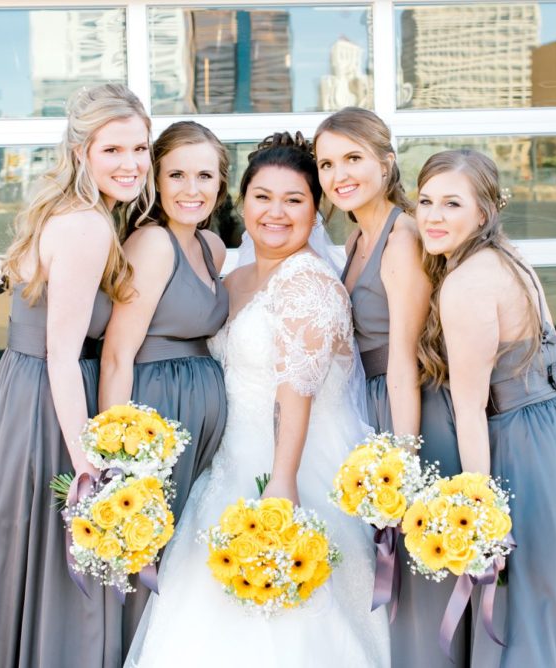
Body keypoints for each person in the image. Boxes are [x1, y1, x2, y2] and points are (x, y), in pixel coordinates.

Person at [125, 133, 390, 667]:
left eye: (294, 200)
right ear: (241, 201)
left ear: (317, 210)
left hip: (292, 465)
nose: (275, 212)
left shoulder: (309, 283)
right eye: (262, 196)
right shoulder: (236, 277)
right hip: (228, 462)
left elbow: (296, 392)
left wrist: (283, 482)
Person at [0, 83, 154, 668]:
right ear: (81, 151)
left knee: (13, 555)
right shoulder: (86, 226)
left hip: (22, 389)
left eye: (139, 148)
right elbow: (62, 355)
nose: (131, 164)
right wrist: (88, 462)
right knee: (41, 558)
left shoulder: (77, 212)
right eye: (113, 150)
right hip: (45, 403)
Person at [415, 149, 556, 667]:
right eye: (424, 201)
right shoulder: (512, 257)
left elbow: (468, 406)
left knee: (525, 615)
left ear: (483, 213)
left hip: (528, 444)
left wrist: (476, 510)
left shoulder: (465, 284)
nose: (433, 216)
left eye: (451, 203)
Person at [314, 107, 467, 666]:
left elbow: (403, 361)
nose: (339, 175)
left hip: (410, 410)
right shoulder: (357, 237)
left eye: (352, 158)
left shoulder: (402, 237)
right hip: (373, 405)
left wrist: (402, 465)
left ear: (386, 160)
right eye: (327, 163)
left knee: (421, 577)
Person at [98, 120, 229, 657]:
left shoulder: (213, 247)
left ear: (222, 185)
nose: (191, 189)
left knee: (183, 562)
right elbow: (115, 354)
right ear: (155, 179)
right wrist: (120, 458)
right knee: (148, 553)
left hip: (202, 422)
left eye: (205, 175)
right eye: (176, 174)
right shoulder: (152, 243)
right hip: (156, 415)